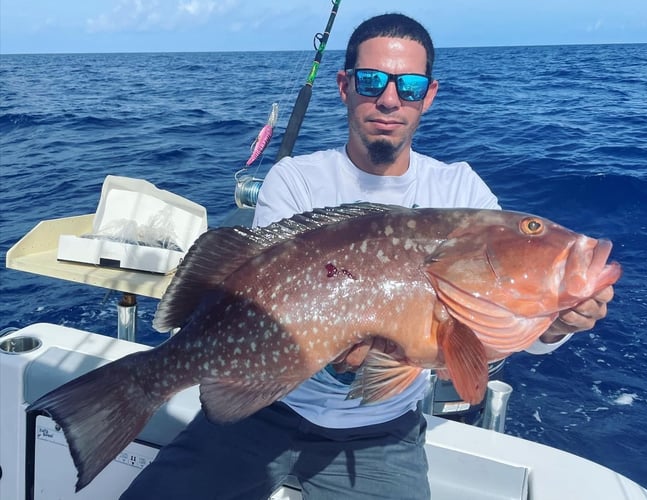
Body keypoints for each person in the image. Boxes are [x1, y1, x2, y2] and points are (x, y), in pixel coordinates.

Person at [121, 12, 614, 500]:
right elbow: (248, 289)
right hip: (266, 406)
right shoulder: (295, 179)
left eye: (410, 86)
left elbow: (497, 329)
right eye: (372, 80)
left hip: (383, 432)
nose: (390, 99)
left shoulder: (461, 188)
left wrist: (556, 325)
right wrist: (336, 361)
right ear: (344, 85)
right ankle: (138, 386)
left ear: (430, 95)